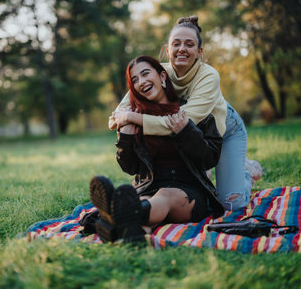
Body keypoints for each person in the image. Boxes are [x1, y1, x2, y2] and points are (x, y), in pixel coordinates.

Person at [108, 16, 262, 212]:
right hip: (191, 135)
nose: (182, 49)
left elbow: (177, 123)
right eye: (176, 44)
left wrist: (132, 118)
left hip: (223, 128)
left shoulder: (208, 75)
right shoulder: (155, 73)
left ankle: (245, 171)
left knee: (232, 203)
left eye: (189, 44)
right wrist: (121, 122)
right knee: (196, 180)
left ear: (199, 52)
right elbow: (117, 114)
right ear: (167, 50)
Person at [89, 55, 225, 243]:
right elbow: (130, 168)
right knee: (142, 219)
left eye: (145, 74)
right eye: (135, 80)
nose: (141, 82)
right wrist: (126, 138)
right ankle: (127, 233)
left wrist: (186, 131)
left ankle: (116, 213)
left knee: (164, 195)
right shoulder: (133, 117)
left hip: (188, 192)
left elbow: (209, 158)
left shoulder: (190, 112)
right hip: (148, 188)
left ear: (162, 77)